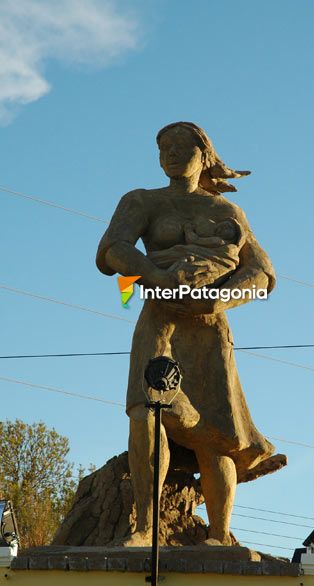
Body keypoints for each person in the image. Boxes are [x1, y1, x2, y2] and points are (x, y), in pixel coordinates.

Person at [96, 121, 286, 546]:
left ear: (205, 155)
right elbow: (113, 251)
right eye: (163, 146)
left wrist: (221, 300)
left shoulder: (226, 212)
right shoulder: (141, 200)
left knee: (213, 434)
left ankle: (219, 536)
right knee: (147, 412)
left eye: (182, 145)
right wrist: (156, 275)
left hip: (208, 328)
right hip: (159, 320)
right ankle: (145, 529)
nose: (171, 152)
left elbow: (263, 272)